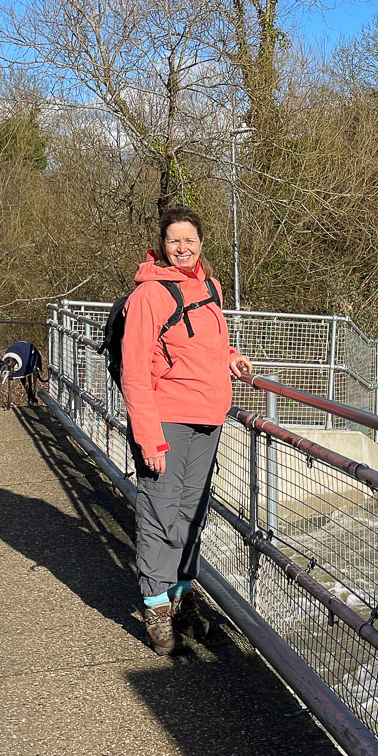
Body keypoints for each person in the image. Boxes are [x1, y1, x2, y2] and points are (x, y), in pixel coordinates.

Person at [120, 208, 253, 656]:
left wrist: (231, 355)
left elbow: (208, 342)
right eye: (174, 241)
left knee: (192, 510)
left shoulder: (210, 286)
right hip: (168, 419)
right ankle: (157, 607)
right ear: (161, 245)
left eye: (190, 240)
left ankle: (181, 592)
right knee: (160, 509)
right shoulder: (149, 296)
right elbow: (135, 374)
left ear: (201, 242)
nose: (183, 248)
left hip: (209, 417)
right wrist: (149, 437)